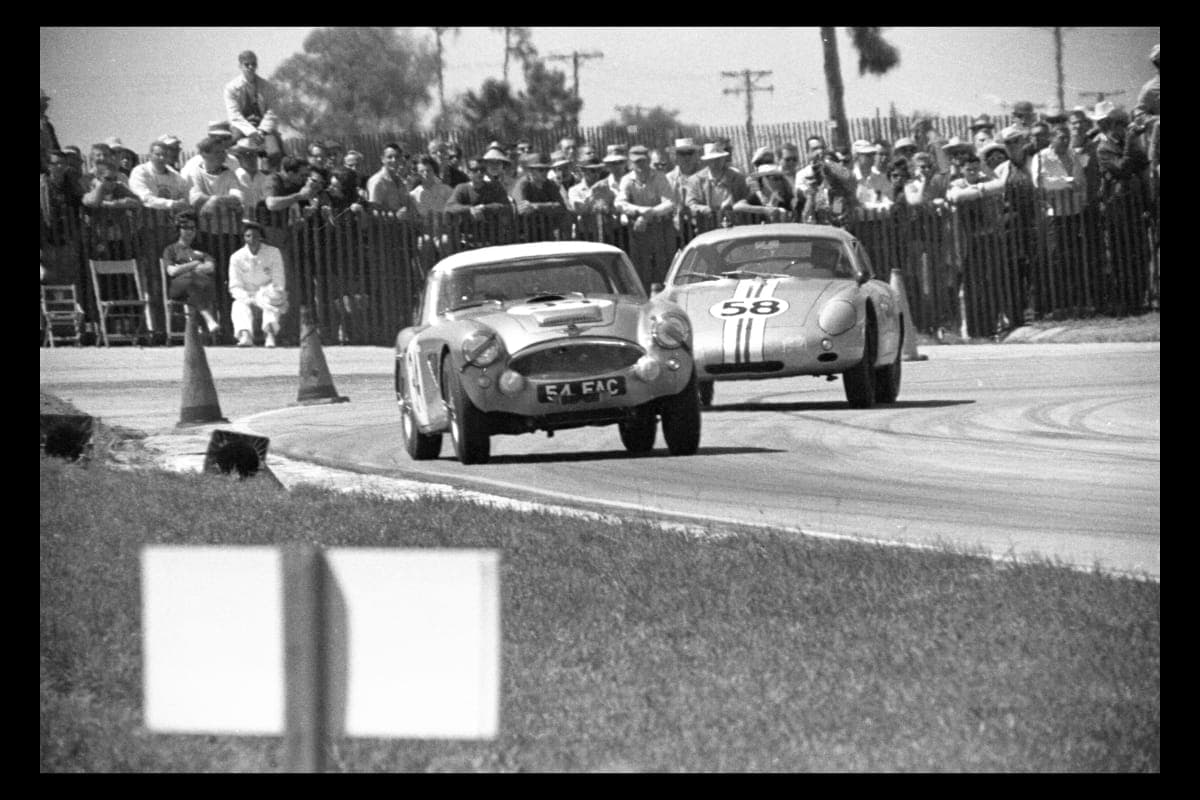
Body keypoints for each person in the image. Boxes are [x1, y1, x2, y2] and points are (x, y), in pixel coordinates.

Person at [615, 145, 678, 291]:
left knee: (664, 267)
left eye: (643, 161)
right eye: (636, 162)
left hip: (660, 228)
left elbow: (670, 203)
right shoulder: (627, 180)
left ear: (648, 160)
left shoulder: (659, 177)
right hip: (638, 231)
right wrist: (641, 211)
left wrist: (649, 214)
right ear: (630, 163)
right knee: (641, 269)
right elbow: (619, 203)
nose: (640, 165)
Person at [227, 219, 287, 348]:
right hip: (247, 294)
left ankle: (270, 335)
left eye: (255, 236)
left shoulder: (273, 252)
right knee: (238, 305)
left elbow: (279, 280)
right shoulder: (236, 257)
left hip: (268, 292)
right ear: (244, 238)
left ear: (260, 237)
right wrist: (248, 298)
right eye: (248, 236)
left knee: (271, 302)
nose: (252, 239)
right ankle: (245, 335)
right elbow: (234, 285)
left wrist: (266, 295)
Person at [161, 210, 221, 339]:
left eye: (193, 228)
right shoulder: (170, 249)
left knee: (193, 283)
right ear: (179, 229)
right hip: (178, 289)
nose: (190, 231)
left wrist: (182, 268)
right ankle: (207, 318)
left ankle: (199, 324)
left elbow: (210, 267)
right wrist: (195, 264)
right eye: (186, 228)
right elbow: (172, 271)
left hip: (199, 285)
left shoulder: (202, 247)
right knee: (190, 280)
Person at [685, 142, 750, 229]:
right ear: (706, 161)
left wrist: (735, 206)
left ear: (724, 158)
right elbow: (690, 204)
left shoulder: (738, 178)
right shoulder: (695, 180)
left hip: (735, 227)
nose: (715, 163)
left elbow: (746, 199)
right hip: (707, 228)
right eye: (711, 160)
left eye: (718, 159)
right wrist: (703, 209)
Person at [224, 50, 277, 140]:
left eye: (254, 64)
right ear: (240, 66)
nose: (251, 67)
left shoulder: (267, 87)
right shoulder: (231, 88)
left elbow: (272, 111)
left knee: (275, 148)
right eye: (247, 64)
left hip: (262, 126)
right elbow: (234, 115)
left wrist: (262, 130)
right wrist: (251, 131)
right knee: (233, 144)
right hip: (241, 127)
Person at [128, 139, 191, 215]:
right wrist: (172, 203)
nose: (162, 158)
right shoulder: (140, 172)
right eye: (158, 154)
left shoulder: (175, 175)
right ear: (150, 155)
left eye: (165, 155)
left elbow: (184, 193)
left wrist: (182, 202)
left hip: (171, 219)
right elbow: (145, 199)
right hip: (147, 217)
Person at [367, 142, 418, 220]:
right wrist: (395, 216)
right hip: (386, 229)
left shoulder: (400, 181)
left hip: (404, 227)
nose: (394, 160)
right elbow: (373, 211)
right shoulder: (378, 181)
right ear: (382, 159)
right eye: (389, 157)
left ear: (401, 159)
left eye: (397, 157)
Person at [230, 137, 270, 220]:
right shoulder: (233, 178)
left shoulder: (266, 179)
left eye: (254, 154)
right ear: (239, 157)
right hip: (241, 225)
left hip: (264, 224)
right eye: (247, 155)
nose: (252, 158)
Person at [851, 139, 891, 209]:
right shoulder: (849, 177)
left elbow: (888, 200)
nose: (872, 157)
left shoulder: (880, 178)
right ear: (856, 156)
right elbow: (837, 207)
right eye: (868, 155)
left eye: (873, 154)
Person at [40, 88, 61, 175]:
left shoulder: (48, 125)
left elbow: (56, 148)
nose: (46, 105)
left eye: (45, 101)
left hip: (50, 172)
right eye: (42, 101)